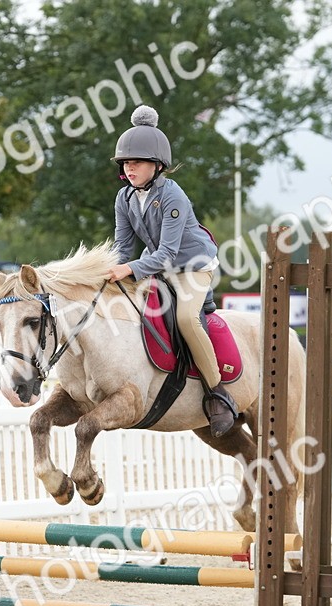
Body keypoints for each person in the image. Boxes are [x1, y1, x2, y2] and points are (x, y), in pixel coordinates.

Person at [107, 105, 237, 437]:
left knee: (185, 319)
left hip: (192, 266)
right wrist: (111, 272)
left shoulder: (172, 194)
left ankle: (218, 394)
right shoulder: (124, 198)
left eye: (136, 161)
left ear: (157, 165)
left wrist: (129, 269)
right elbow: (124, 248)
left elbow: (167, 254)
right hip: (158, 265)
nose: (129, 166)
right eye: (126, 162)